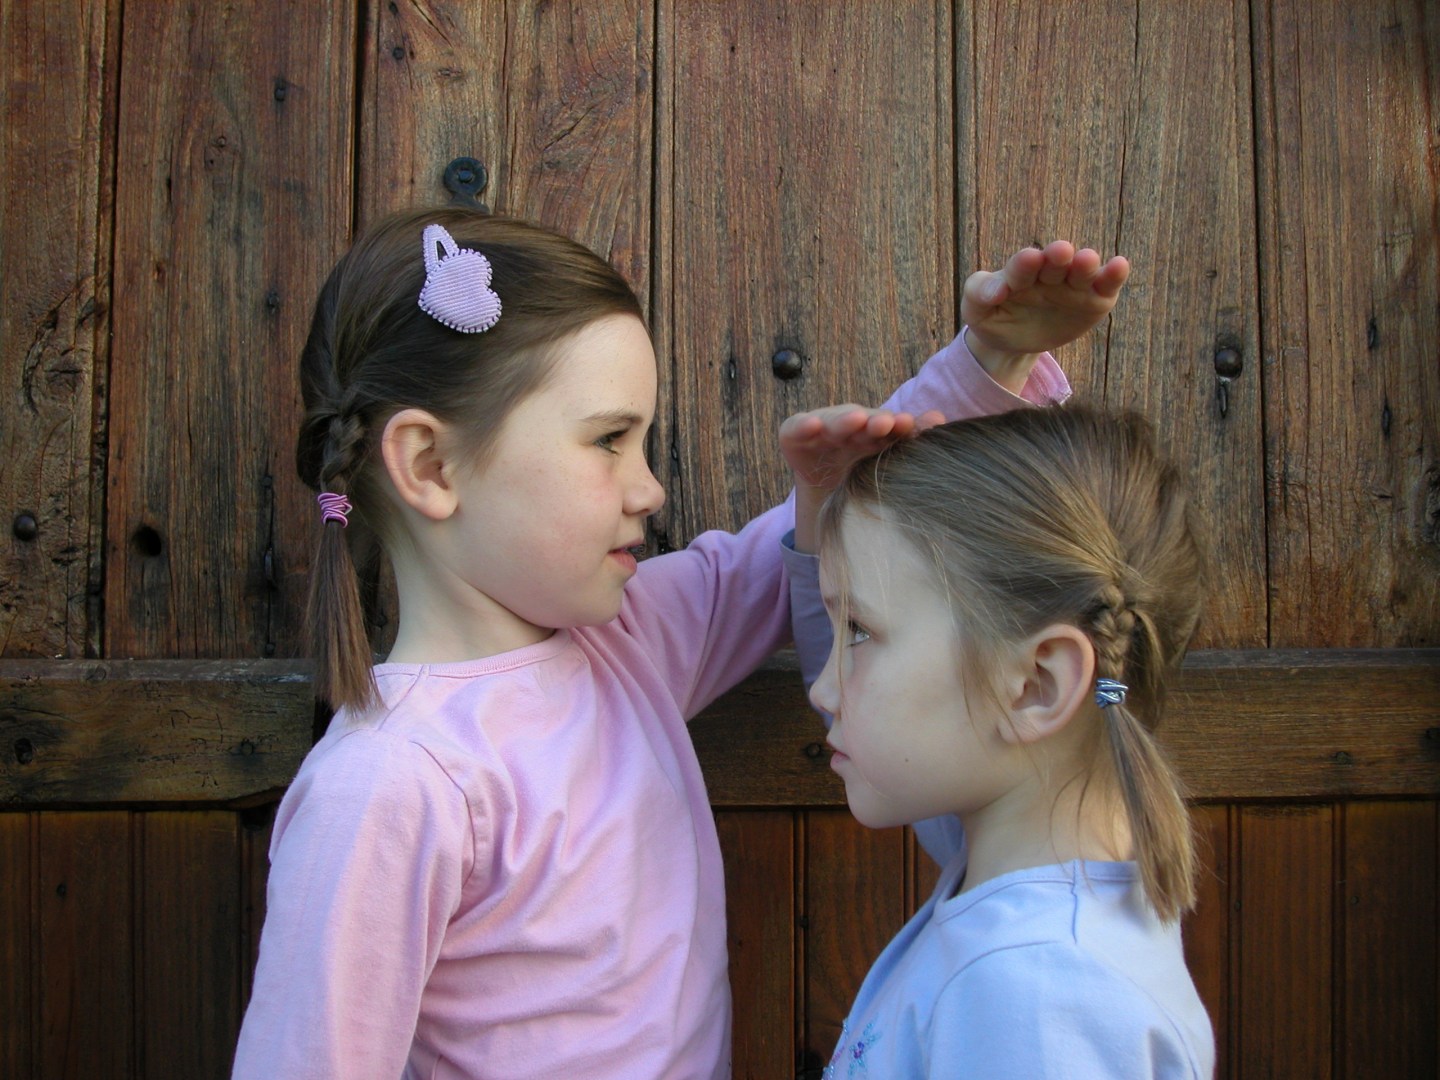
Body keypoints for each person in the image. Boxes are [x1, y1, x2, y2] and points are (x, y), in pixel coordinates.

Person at [230, 203, 1099, 1079]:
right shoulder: (386, 785)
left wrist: (986, 365)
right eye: (609, 440)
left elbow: (785, 551)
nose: (648, 489)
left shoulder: (625, 644)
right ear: (429, 465)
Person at [782, 388, 1215, 1072]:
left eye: (859, 630)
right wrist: (820, 508)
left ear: (1036, 683)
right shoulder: (1015, 865)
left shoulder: (1037, 998)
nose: (824, 690)